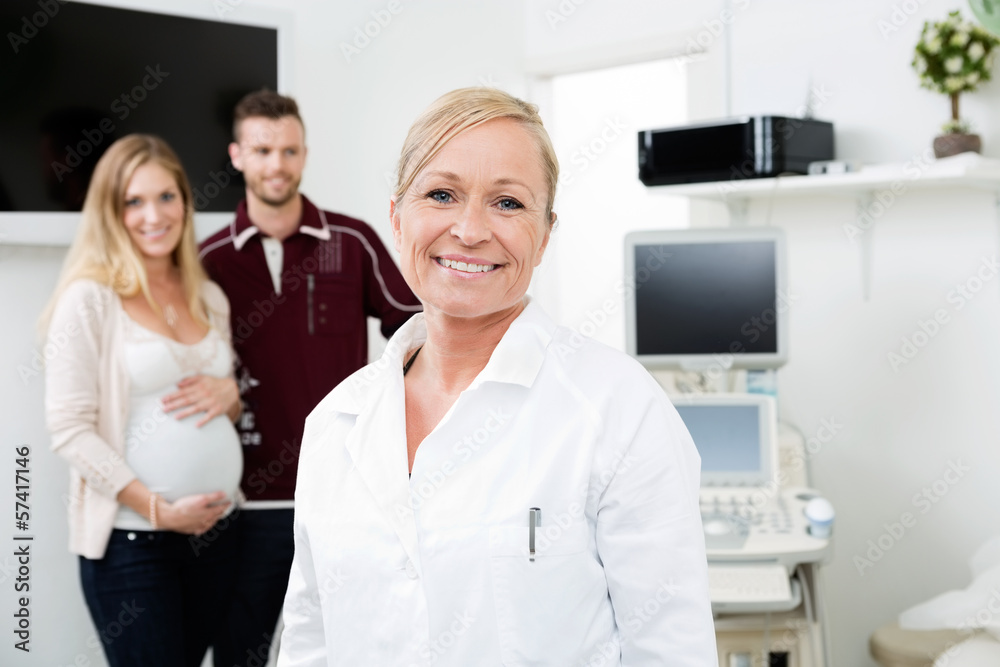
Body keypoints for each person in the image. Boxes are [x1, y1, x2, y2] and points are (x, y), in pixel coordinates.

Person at [277, 88, 717, 665]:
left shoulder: (617, 408)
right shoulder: (336, 421)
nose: (470, 229)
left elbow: (670, 647)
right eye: (441, 194)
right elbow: (311, 640)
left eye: (507, 203)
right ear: (397, 217)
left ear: (545, 233)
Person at [198, 89, 422, 667]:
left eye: (290, 150)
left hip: (346, 494)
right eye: (263, 149)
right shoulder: (207, 259)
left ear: (305, 155)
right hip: (246, 503)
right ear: (237, 156)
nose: (278, 163)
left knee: (350, 648)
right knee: (241, 652)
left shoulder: (352, 241)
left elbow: (421, 331)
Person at [42, 134, 243, 667]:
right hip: (134, 544)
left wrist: (231, 395)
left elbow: (223, 407)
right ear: (112, 211)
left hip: (216, 536)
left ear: (184, 201)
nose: (153, 215)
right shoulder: (90, 299)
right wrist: (157, 509)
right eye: (134, 201)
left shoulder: (209, 296)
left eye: (166, 197)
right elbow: (69, 429)